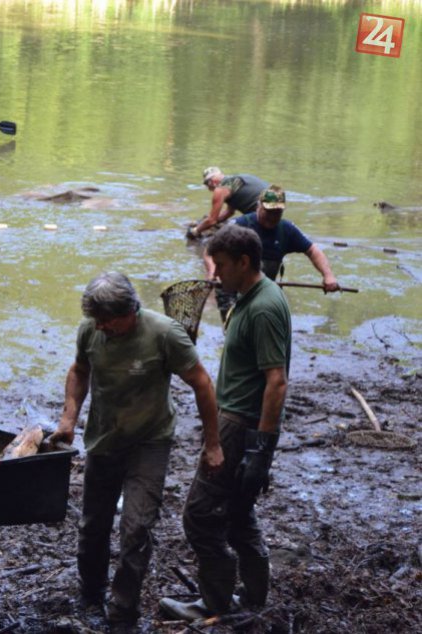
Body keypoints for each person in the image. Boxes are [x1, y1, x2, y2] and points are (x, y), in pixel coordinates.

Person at [49, 272, 223, 633]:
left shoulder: (164, 334)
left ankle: (123, 610)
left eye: (109, 320)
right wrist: (69, 418)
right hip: (104, 438)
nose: (102, 326)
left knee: (137, 528)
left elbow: (202, 382)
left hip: (150, 441)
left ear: (131, 310)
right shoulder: (91, 331)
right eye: (97, 320)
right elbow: (79, 370)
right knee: (93, 526)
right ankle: (91, 594)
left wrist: (213, 443)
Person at [160, 224, 291, 622]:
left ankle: (215, 602)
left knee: (200, 515)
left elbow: (277, 381)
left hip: (240, 424)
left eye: (220, 266)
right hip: (238, 418)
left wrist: (260, 449)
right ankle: (253, 598)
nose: (215, 274)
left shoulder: (265, 307)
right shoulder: (250, 296)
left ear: (244, 262)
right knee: (238, 510)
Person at [206, 185, 341, 320]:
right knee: (235, 325)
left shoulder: (286, 230)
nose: (272, 217)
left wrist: (328, 276)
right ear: (258, 206)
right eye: (268, 212)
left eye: (277, 213)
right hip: (231, 289)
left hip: (262, 289)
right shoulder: (240, 225)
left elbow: (313, 251)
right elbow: (209, 251)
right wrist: (213, 273)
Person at [188, 167, 268, 239]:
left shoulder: (220, 189)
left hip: (262, 214)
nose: (209, 189)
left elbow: (212, 220)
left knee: (228, 232)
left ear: (212, 182)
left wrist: (195, 230)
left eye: (206, 184)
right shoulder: (233, 182)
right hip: (275, 208)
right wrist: (204, 223)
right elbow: (229, 212)